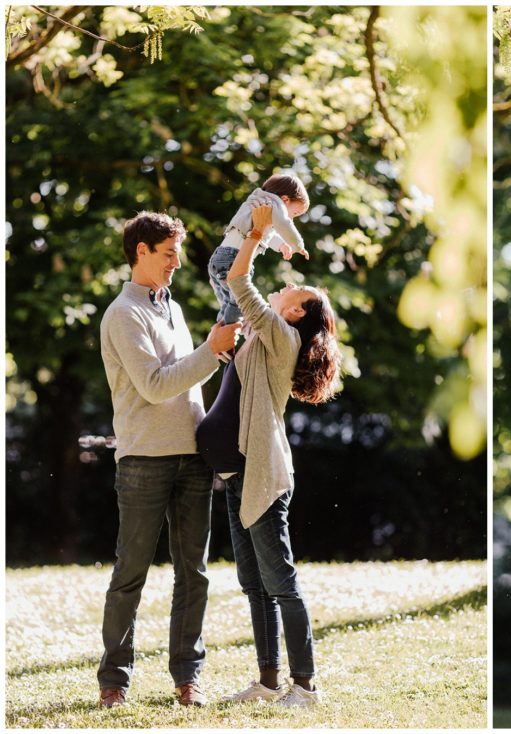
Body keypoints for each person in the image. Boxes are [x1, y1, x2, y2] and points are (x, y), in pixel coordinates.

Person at [196, 204, 342, 708]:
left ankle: (305, 685)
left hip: (263, 475)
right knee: (254, 584)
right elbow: (233, 289)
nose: (284, 289)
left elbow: (239, 281)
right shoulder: (265, 334)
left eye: (293, 293)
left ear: (297, 313)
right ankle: (267, 681)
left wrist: (256, 235)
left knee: (280, 582)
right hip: (237, 473)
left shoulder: (283, 336)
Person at [97, 211, 240, 708]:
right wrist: (210, 348)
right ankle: (113, 682)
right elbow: (156, 386)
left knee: (194, 573)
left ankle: (188, 677)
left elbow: (188, 375)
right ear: (141, 252)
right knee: (130, 573)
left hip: (192, 459)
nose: (178, 262)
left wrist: (218, 351)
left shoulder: (172, 308)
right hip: (144, 460)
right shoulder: (123, 314)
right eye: (168, 253)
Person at [208, 173, 310, 327]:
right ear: (285, 200)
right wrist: (298, 245)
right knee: (240, 304)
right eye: (294, 213)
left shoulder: (256, 201)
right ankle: (226, 334)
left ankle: (220, 329)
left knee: (228, 303)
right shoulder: (275, 205)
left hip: (218, 257)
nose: (292, 219)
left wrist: (282, 245)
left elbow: (266, 233)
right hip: (233, 260)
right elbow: (284, 225)